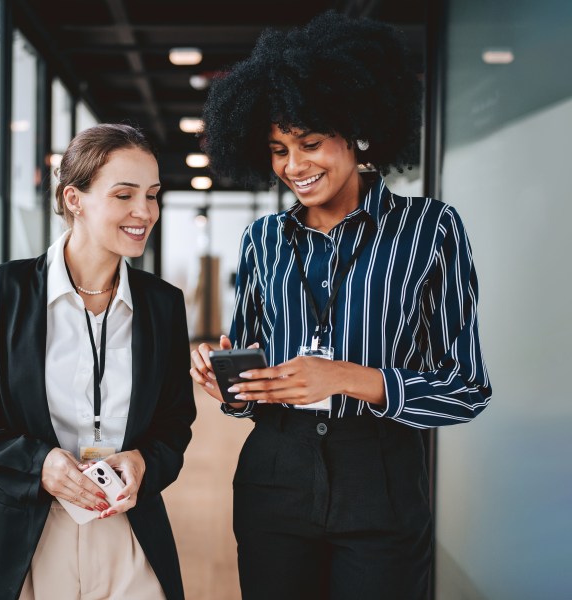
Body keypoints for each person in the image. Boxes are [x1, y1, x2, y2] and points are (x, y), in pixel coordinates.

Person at [190, 11, 491, 600]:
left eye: (309, 143)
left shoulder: (431, 231)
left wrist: (350, 379)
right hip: (274, 476)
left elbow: (466, 388)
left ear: (356, 130)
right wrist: (227, 381)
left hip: (381, 476)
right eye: (277, 150)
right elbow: (248, 379)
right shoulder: (262, 240)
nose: (293, 167)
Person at [0, 123, 196, 600]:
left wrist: (145, 463)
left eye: (152, 195)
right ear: (74, 199)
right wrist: (38, 464)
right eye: (124, 195)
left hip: (130, 536)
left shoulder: (163, 304)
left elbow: (175, 422)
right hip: (32, 538)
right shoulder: (6, 291)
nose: (144, 212)